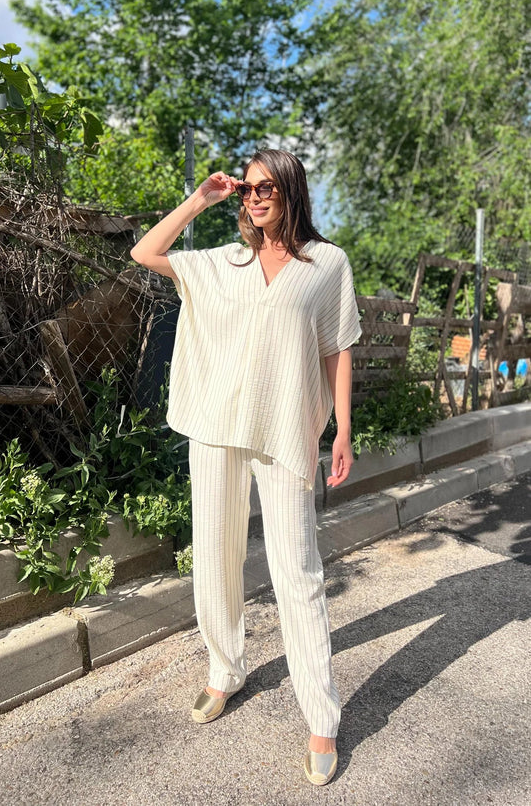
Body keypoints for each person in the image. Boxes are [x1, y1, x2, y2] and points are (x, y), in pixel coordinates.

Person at [130, 149, 361, 786]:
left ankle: (322, 715)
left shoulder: (326, 265)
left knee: (299, 571)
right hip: (214, 428)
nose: (253, 197)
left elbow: (338, 348)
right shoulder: (222, 263)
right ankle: (224, 669)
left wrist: (343, 426)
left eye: (265, 188)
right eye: (247, 190)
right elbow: (145, 253)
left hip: (285, 429)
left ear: (290, 190)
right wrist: (200, 199)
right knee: (216, 554)